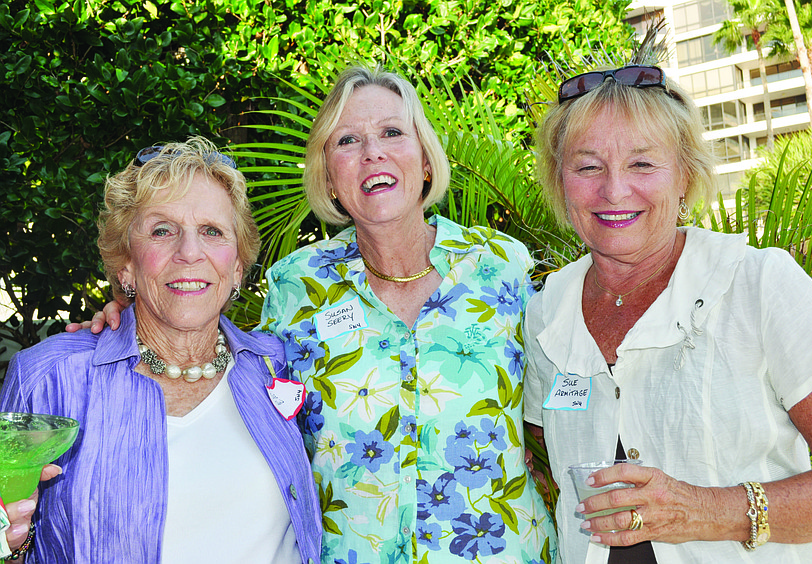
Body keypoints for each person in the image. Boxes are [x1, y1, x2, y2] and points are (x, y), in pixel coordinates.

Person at [67, 67, 558, 563]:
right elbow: (225, 361)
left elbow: (552, 405)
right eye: (348, 140)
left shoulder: (502, 266)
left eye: (392, 132)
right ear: (330, 178)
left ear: (426, 160)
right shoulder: (297, 284)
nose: (373, 153)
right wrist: (129, 313)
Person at [524, 63, 812, 564]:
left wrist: (705, 510)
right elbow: (540, 448)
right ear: (560, 183)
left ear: (685, 176)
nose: (613, 190)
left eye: (642, 164)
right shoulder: (548, 310)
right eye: (588, 167)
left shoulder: (756, 283)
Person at [1, 137, 322, 563]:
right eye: (162, 230)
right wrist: (10, 542)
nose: (190, 252)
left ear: (238, 265)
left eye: (212, 231)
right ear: (126, 264)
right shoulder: (50, 378)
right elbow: (14, 537)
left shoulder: (277, 363)